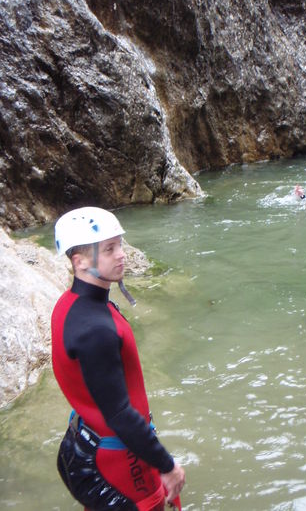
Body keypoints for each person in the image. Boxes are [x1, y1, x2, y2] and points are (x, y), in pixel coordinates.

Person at [51, 206, 185, 511]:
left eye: (120, 244)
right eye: (110, 249)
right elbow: (120, 414)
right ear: (80, 261)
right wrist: (167, 465)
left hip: (91, 444)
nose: (122, 254)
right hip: (122, 463)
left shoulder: (70, 304)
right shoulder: (94, 329)